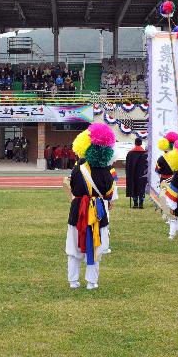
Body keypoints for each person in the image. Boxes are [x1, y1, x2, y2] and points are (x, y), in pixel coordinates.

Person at [66, 124, 118, 290]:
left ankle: (73, 281)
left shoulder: (77, 169)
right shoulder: (107, 172)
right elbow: (109, 195)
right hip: (98, 213)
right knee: (96, 247)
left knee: (73, 247)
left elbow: (73, 189)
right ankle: (92, 282)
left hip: (77, 211)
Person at [155, 131, 178, 239]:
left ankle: (171, 223)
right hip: (176, 181)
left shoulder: (161, 158)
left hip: (165, 181)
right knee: (176, 202)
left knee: (166, 202)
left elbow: (157, 170)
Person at [124, 138, 149, 209]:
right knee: (141, 188)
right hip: (142, 174)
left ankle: (135, 203)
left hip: (132, 174)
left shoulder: (130, 153)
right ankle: (141, 204)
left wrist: (128, 174)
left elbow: (127, 166)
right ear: (141, 143)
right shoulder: (145, 154)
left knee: (133, 186)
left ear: (135, 143)